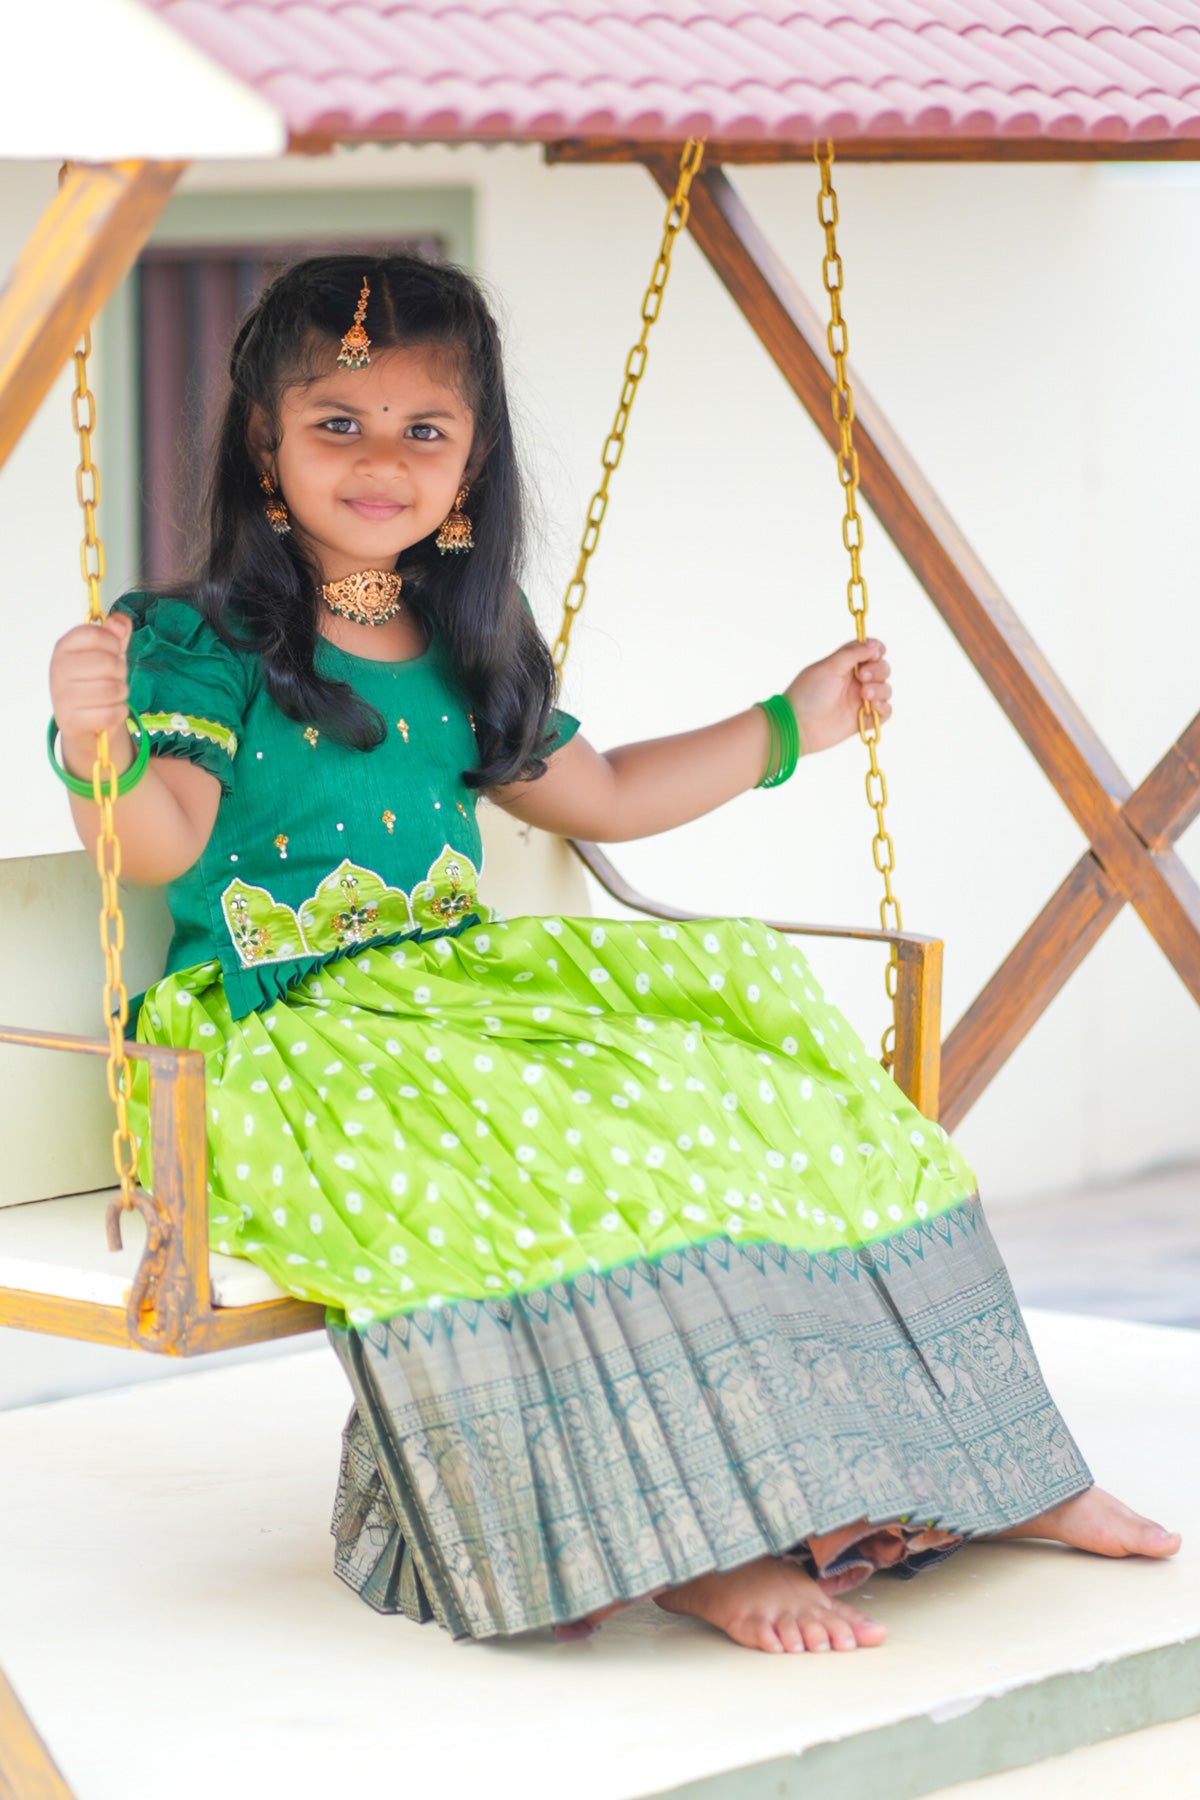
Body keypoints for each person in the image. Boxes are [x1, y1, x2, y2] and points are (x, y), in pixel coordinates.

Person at [48, 254, 1179, 1654]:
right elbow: (156, 844)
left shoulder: (464, 638)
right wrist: (96, 745)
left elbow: (616, 792)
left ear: (475, 461)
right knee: (573, 1149)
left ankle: (982, 1470)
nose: (382, 461)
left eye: (426, 429)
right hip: (292, 1037)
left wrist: (790, 725)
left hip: (464, 1009)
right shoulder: (202, 643)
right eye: (338, 422)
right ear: (266, 446)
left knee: (773, 1095)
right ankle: (691, 1542)